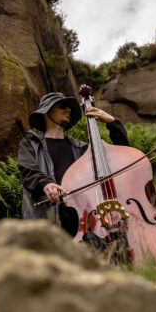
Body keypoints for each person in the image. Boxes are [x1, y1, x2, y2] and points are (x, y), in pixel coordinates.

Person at [17, 91, 129, 235]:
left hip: (82, 217)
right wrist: (47, 184)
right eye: (62, 105)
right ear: (47, 112)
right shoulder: (30, 144)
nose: (68, 109)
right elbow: (28, 171)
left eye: (69, 106)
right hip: (48, 219)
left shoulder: (81, 148)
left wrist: (113, 123)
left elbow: (122, 156)